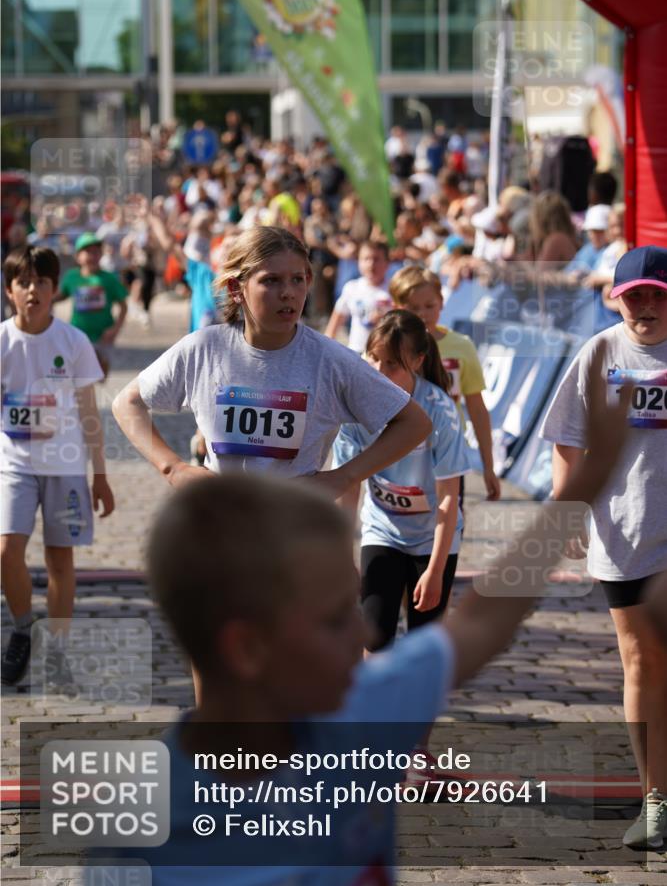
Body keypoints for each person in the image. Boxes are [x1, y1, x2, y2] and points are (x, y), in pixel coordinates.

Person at [116, 362, 630, 883]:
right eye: (335, 619)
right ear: (247, 648)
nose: (364, 634)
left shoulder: (361, 713)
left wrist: (587, 478)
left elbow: (482, 618)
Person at [111, 227, 431, 495]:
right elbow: (127, 403)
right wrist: (174, 468)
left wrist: (343, 476)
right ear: (237, 288)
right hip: (218, 524)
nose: (288, 293)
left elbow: (415, 423)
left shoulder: (331, 360)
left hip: (294, 529)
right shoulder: (204, 348)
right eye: (271, 281)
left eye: (297, 280)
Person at [541, 245, 667, 850]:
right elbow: (565, 435)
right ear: (615, 298)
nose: (645, 305)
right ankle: (656, 799)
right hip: (624, 530)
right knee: (641, 662)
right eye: (634, 294)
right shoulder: (600, 352)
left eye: (656, 293)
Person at [1, 246, 115, 688]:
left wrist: (100, 475)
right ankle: (24, 627)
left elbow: (90, 412)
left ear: (54, 290)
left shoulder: (73, 341)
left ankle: (58, 649)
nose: (34, 290)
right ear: (10, 291)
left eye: (42, 282)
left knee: (59, 559)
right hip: (14, 464)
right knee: (7, 551)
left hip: (65, 467)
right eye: (24, 282)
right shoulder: (3, 342)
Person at [333, 310, 470, 652]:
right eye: (373, 358)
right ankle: (375, 705)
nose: (378, 372)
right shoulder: (354, 408)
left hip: (432, 539)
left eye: (392, 364)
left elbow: (449, 498)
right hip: (383, 531)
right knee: (374, 638)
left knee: (422, 649)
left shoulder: (439, 411)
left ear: (419, 361)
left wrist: (437, 570)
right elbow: (349, 488)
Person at [389, 266, 501, 502]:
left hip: (447, 451)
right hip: (399, 449)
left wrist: (488, 466)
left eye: (429, 306)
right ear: (397, 306)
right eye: (412, 307)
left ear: (441, 302)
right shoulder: (386, 346)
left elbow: (477, 409)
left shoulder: (461, 345)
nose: (422, 314)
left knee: (448, 523)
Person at [58, 232, 128, 379]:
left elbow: (123, 306)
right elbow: (59, 296)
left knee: (100, 376)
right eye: (88, 251)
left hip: (103, 336)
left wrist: (115, 329)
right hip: (77, 334)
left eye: (96, 251)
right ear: (78, 256)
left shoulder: (109, 279)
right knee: (79, 375)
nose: (92, 255)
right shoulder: (72, 277)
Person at [325, 240, 392, 354]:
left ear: (387, 263)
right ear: (358, 262)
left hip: (385, 355)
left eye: (376, 259)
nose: (371, 264)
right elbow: (335, 322)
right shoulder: (351, 288)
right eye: (366, 259)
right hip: (356, 352)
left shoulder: (393, 290)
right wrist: (324, 348)